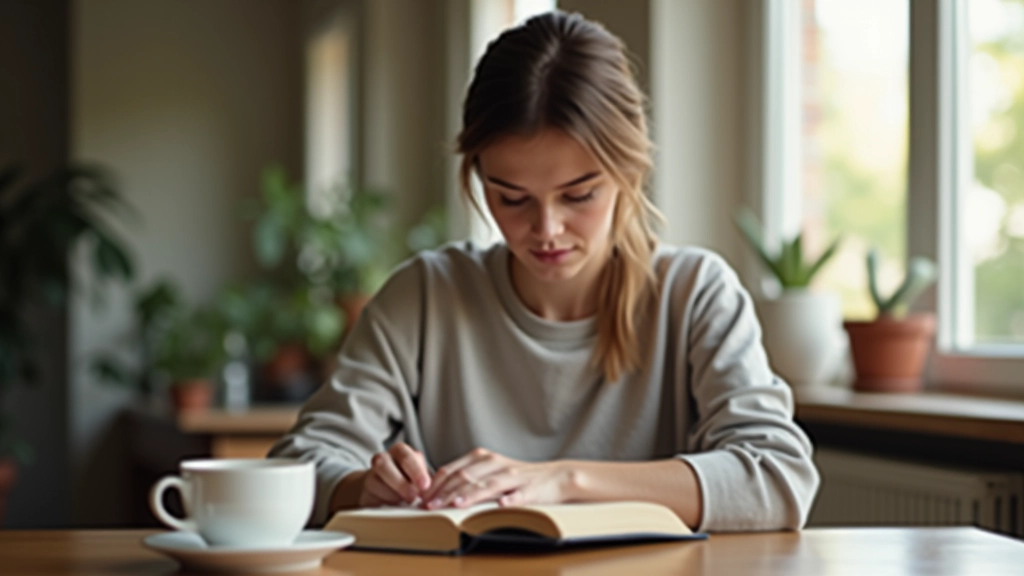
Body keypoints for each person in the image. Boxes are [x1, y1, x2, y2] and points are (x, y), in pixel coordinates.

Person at [269, 10, 819, 532]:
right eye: (512, 199)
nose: (547, 229)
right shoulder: (425, 296)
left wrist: (563, 480)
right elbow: (299, 461)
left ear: (629, 171)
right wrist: (364, 487)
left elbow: (778, 477)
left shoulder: (695, 293)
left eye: (579, 195)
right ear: (477, 178)